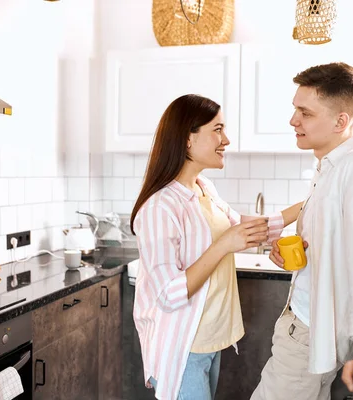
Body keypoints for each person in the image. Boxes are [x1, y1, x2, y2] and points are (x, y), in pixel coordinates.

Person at [130, 94, 303, 400]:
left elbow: (245, 228)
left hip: (211, 342)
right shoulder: (160, 207)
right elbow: (169, 294)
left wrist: (308, 204)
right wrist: (224, 244)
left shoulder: (203, 187)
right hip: (183, 349)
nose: (227, 139)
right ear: (187, 140)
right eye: (218, 129)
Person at [251, 62, 353, 400]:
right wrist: (297, 254)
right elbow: (332, 233)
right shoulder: (333, 164)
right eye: (295, 109)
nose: (293, 120)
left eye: (304, 113)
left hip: (307, 334)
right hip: (310, 328)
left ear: (341, 121)